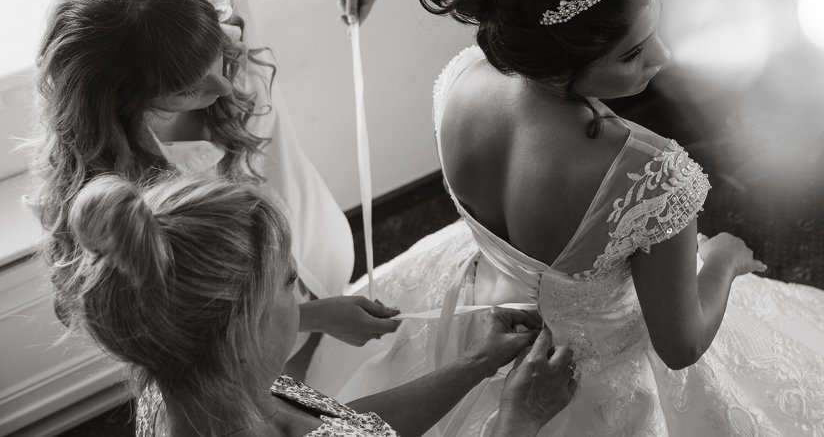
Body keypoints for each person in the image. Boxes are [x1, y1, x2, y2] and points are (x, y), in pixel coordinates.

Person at [306, 0, 824, 436]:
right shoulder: (649, 177)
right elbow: (680, 344)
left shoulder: (461, 81)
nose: (663, 56)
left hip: (481, 307)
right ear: (560, 63)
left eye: (655, 27)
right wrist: (722, 260)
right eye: (633, 54)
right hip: (592, 370)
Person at [30, 0, 396, 367]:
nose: (225, 87)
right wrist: (314, 317)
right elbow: (177, 319)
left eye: (220, 52)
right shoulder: (118, 192)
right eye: (188, 89)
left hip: (324, 249)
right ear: (124, 101)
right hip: (257, 341)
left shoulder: (212, 3)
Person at [59, 174, 575, 437]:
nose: (303, 295)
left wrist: (477, 362)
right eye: (288, 282)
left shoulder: (189, 382)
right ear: (240, 332)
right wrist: (520, 417)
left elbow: (345, 428)